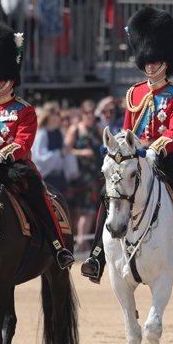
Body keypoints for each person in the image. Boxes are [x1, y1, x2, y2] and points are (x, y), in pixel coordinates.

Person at [80, 7, 173, 283]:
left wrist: (155, 148)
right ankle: (97, 255)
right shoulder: (134, 92)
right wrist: (120, 147)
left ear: (165, 61)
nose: (150, 65)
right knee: (112, 192)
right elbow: (127, 128)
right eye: (146, 61)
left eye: (154, 61)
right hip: (136, 156)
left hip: (167, 156)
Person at [0, 22, 74, 270]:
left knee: (36, 192)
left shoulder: (24, 110)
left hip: (11, 167)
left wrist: (1, 156)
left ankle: (58, 247)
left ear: (11, 79)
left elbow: (23, 144)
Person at [65, 99, 101, 253]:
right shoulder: (76, 129)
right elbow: (66, 150)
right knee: (81, 211)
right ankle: (81, 243)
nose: (90, 115)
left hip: (95, 176)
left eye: (92, 112)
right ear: (82, 113)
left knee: (89, 210)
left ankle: (82, 244)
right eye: (87, 112)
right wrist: (81, 152)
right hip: (80, 175)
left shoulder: (99, 129)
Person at [31, 101, 69, 194]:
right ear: (50, 115)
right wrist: (60, 153)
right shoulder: (41, 134)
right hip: (45, 178)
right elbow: (40, 157)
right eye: (58, 113)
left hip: (59, 178)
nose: (61, 116)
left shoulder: (59, 132)